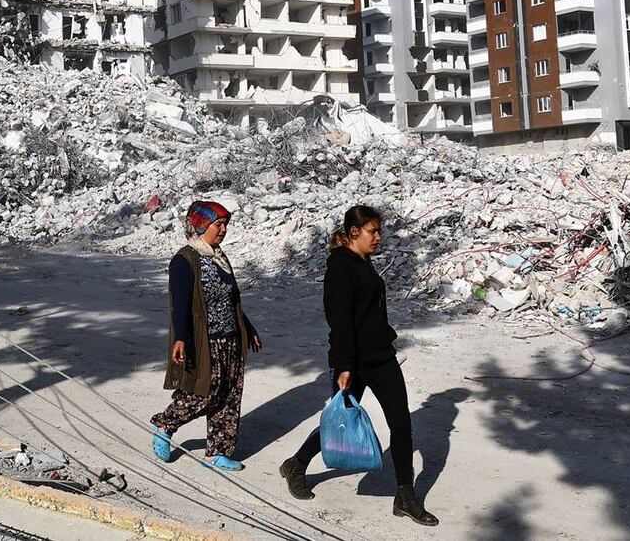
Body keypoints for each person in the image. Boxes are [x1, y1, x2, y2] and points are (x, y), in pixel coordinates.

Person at [279, 205, 439, 526]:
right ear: (354, 232)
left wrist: (387, 342)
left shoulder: (364, 263)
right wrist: (344, 366)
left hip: (382, 357)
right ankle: (297, 464)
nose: (379, 237)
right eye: (373, 232)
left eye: (380, 231)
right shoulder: (340, 268)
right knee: (341, 421)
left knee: (401, 425)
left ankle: (405, 496)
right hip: (353, 361)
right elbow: (340, 323)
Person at [150, 200, 262, 471]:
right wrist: (181, 339)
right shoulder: (185, 260)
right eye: (218, 224)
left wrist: (247, 328)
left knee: (229, 395)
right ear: (201, 225)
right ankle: (165, 423)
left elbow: (231, 299)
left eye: (225, 225)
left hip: (231, 338)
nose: (223, 230)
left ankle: (217, 452)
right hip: (205, 340)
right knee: (205, 392)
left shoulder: (220, 257)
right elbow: (181, 303)